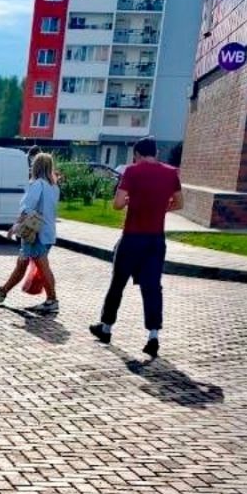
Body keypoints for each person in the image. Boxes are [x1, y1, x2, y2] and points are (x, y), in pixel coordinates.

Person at [89, 137, 182, 357]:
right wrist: (160, 208)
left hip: (132, 237)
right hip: (156, 239)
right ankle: (153, 335)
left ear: (137, 154)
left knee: (117, 283)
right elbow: (180, 203)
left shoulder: (132, 171)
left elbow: (117, 203)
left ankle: (106, 327)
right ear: (156, 153)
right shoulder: (171, 173)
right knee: (152, 287)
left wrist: (132, 200)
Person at [0, 152, 60, 316]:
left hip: (34, 232)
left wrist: (16, 226)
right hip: (47, 231)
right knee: (23, 263)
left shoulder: (37, 185)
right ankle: (3, 291)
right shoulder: (53, 187)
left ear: (36, 167)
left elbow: (28, 208)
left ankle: (52, 300)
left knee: (41, 266)